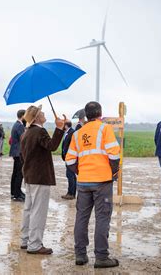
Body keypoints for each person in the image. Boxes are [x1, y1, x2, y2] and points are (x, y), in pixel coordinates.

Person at [66, 101, 120, 268]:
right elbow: (114, 155)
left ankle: (80, 255)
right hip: (102, 181)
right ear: (100, 114)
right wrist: (113, 172)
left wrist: (81, 172)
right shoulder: (105, 129)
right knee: (102, 218)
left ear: (86, 115)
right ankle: (102, 257)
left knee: (81, 218)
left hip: (83, 182)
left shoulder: (77, 134)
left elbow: (69, 160)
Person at [20, 105, 65, 255]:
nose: (44, 114)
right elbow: (52, 146)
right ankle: (34, 244)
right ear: (37, 117)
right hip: (40, 176)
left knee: (29, 209)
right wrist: (59, 129)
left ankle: (25, 240)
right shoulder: (40, 131)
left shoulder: (27, 132)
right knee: (38, 211)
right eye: (42, 112)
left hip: (30, 175)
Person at [9, 109, 26, 201]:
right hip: (18, 152)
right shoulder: (19, 126)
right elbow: (23, 138)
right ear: (23, 116)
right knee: (19, 174)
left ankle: (15, 191)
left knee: (15, 173)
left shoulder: (17, 124)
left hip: (16, 152)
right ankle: (17, 194)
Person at [61, 120, 77, 200]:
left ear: (66, 125)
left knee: (70, 175)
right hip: (67, 157)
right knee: (71, 175)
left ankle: (71, 193)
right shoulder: (67, 132)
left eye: (63, 125)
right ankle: (71, 193)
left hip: (71, 157)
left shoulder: (72, 133)